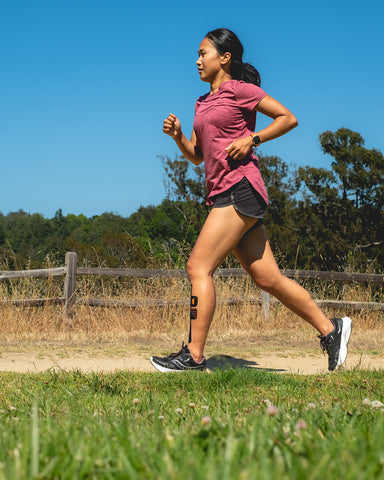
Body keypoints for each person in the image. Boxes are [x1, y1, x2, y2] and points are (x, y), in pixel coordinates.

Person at [150, 28, 352, 373]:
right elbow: (198, 156)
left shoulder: (241, 90)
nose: (197, 60)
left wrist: (252, 139)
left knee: (198, 267)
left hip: (240, 188)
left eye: (203, 53)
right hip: (222, 192)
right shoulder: (202, 102)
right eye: (198, 55)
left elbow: (288, 118)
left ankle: (193, 355)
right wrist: (178, 136)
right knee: (268, 279)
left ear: (224, 58)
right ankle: (332, 331)